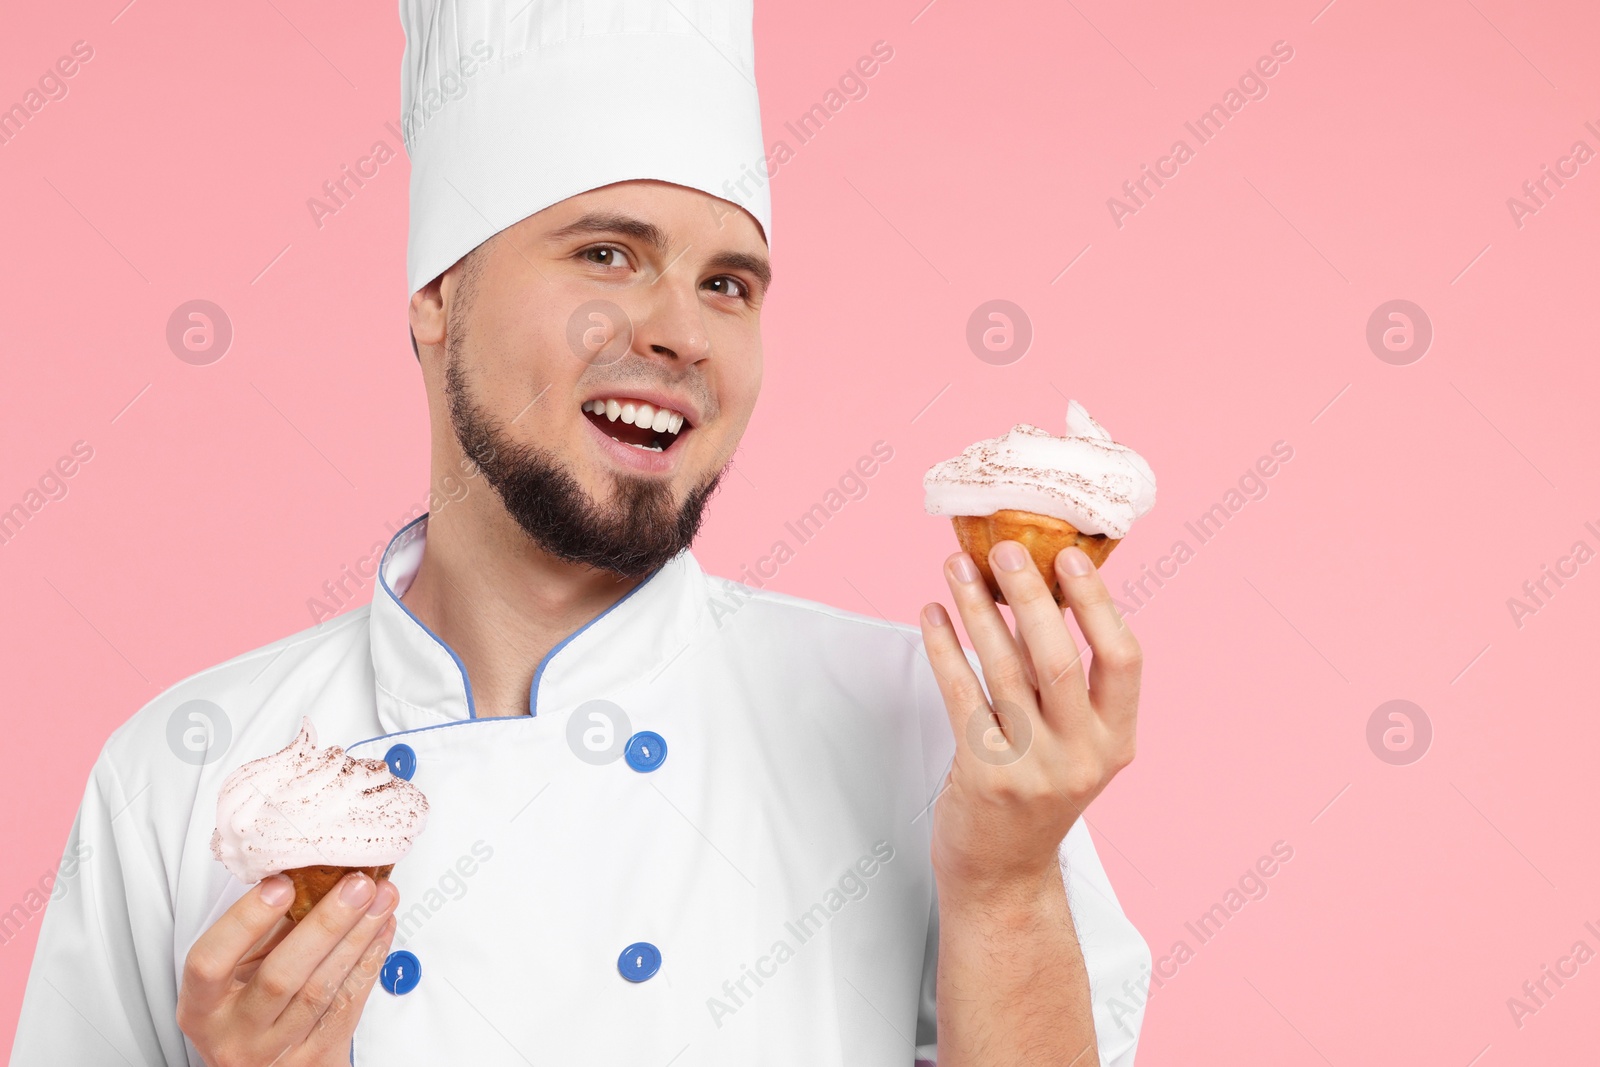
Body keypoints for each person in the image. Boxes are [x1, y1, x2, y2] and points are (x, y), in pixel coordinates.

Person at [10, 1, 1152, 1063]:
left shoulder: (941, 736)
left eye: (729, 284)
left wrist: (1005, 883)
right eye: (608, 253)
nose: (682, 332)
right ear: (436, 297)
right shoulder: (182, 770)